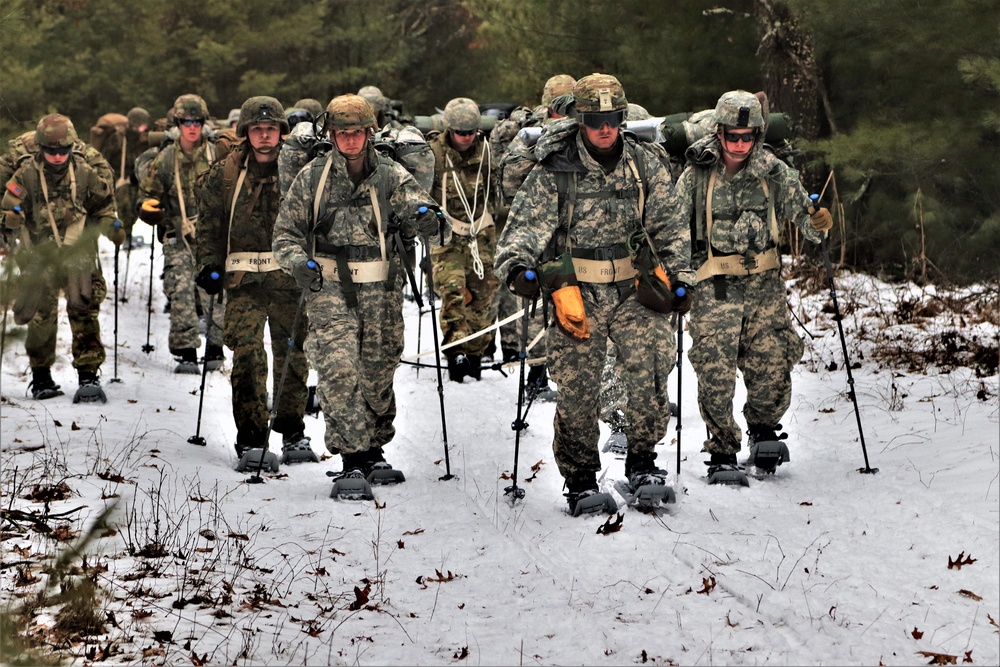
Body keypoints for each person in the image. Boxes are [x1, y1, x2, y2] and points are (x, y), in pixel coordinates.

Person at [494, 73, 693, 515]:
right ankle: (581, 477)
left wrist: (682, 277)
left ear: (623, 118)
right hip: (576, 290)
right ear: (580, 120)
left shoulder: (645, 163)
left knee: (650, 371)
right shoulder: (555, 168)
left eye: (613, 118)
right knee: (578, 389)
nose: (605, 128)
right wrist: (520, 269)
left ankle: (643, 462)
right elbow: (521, 230)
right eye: (595, 119)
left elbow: (671, 226)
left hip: (635, 289)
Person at [272, 94, 443, 483]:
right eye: (342, 133)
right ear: (331, 134)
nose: (350, 140)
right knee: (339, 367)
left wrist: (428, 220)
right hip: (328, 285)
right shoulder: (312, 176)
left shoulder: (390, 175)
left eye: (357, 133)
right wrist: (299, 263)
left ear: (370, 133)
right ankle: (351, 456)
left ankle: (373, 449)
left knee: (378, 370)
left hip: (380, 287)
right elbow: (285, 235)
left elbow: (420, 210)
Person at [667, 89, 832, 478]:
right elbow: (672, 227)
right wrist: (674, 275)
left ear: (757, 135)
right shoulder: (697, 173)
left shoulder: (773, 171)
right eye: (732, 137)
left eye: (747, 137)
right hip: (714, 285)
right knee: (715, 368)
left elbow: (804, 217)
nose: (739, 145)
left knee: (773, 362)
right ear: (719, 133)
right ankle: (722, 446)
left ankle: (764, 429)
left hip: (764, 286)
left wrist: (818, 222)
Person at [195, 96, 315, 461]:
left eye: (272, 129)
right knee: (247, 356)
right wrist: (209, 265)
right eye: (257, 129)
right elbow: (209, 226)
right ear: (245, 133)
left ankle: (293, 430)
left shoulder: (301, 171)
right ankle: (251, 437)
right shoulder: (224, 174)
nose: (265, 136)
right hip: (244, 283)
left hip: (289, 281)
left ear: (282, 131)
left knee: (293, 356)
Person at [1, 114, 125, 403]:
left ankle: (88, 375)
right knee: (40, 313)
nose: (57, 157)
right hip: (39, 252)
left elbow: (103, 206)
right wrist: (9, 220)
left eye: (63, 151)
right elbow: (8, 207)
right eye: (51, 151)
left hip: (77, 251)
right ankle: (41, 376)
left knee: (84, 309)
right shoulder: (26, 175)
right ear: (41, 149)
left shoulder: (84, 172)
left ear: (72, 148)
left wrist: (112, 227)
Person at [490, 75, 576, 403]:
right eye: (560, 109)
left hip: (582, 237)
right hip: (542, 236)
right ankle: (536, 377)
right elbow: (510, 186)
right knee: (536, 310)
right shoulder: (530, 137)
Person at [137, 93, 225, 374]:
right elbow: (148, 194)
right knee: (181, 289)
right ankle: (186, 351)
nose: (192, 127)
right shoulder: (166, 158)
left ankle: (215, 346)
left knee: (216, 292)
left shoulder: (216, 154)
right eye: (186, 121)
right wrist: (150, 209)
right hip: (178, 233)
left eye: (197, 121)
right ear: (178, 123)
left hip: (213, 234)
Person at [428, 97, 501, 382]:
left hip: (480, 232)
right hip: (447, 235)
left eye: (471, 132)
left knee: (483, 295)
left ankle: (476, 350)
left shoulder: (486, 152)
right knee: (452, 290)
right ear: (450, 130)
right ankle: (455, 352)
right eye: (461, 132)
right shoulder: (434, 154)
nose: (466, 137)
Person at [90, 107, 150, 245]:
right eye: (142, 125)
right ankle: (125, 235)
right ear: (134, 124)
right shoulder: (117, 139)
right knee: (125, 202)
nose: (144, 129)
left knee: (140, 202)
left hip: (136, 177)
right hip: (117, 178)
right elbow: (103, 160)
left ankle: (129, 231)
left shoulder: (142, 139)